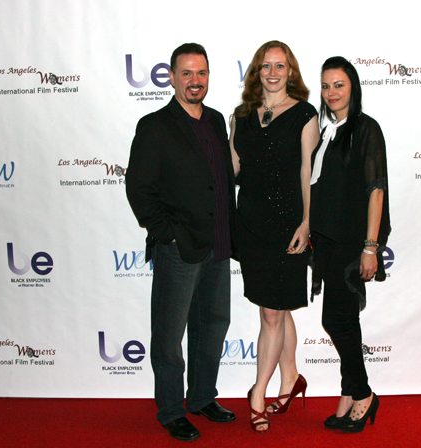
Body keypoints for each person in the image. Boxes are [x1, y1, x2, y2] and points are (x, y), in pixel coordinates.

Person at [126, 43, 238, 442]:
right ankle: (172, 410)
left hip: (218, 245)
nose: (195, 81)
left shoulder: (216, 120)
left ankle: (202, 397)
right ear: (171, 77)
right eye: (187, 73)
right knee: (170, 336)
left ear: (209, 76)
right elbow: (139, 188)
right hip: (178, 249)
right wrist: (166, 234)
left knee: (212, 327)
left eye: (201, 73)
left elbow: (222, 180)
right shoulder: (155, 125)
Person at [229, 40, 320, 433]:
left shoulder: (304, 114)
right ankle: (291, 377)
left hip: (288, 224)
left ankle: (258, 394)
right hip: (250, 222)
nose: (272, 72)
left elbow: (307, 173)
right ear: (256, 71)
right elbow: (232, 167)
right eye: (266, 66)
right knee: (276, 307)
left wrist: (306, 223)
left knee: (271, 313)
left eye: (280, 66)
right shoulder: (241, 115)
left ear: (291, 72)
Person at [309, 56, 391, 433]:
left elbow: (376, 190)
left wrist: (370, 246)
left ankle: (363, 394)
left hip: (350, 243)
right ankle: (348, 392)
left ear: (353, 87)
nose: (331, 92)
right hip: (326, 242)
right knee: (344, 320)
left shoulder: (365, 129)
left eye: (338, 84)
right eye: (326, 86)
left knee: (336, 320)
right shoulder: (329, 131)